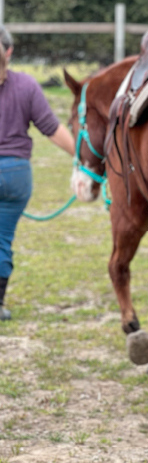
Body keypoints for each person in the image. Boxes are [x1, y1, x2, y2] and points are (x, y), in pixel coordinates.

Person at [0, 26, 75, 320]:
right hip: (17, 175)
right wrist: (84, 160)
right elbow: (52, 129)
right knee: (2, 238)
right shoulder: (28, 86)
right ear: (9, 51)